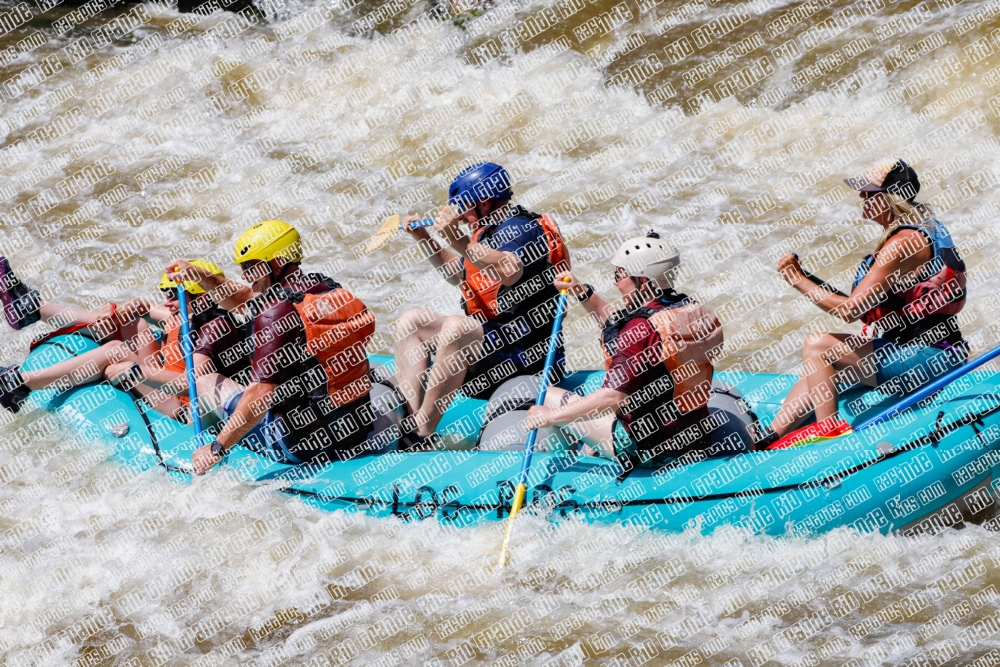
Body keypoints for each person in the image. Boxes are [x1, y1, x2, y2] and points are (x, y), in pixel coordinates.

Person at [764, 159, 968, 444]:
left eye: (870, 193)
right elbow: (865, 302)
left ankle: (829, 434)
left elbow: (850, 310)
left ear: (890, 198)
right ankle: (770, 436)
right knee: (821, 363)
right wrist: (806, 276)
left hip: (927, 361)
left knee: (817, 346)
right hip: (943, 353)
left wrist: (795, 279)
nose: (862, 197)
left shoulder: (903, 243)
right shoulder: (928, 226)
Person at [167, 220, 377, 475]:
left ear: (276, 263)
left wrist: (217, 448)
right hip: (355, 430)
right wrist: (201, 277)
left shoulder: (274, 313)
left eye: (250, 266)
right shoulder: (326, 288)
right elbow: (245, 299)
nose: (244, 274)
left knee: (206, 382)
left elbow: (261, 395)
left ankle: (211, 434)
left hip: (302, 446)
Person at [525, 232, 743, 469]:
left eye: (620, 275)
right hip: (694, 436)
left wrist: (550, 416)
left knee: (550, 398)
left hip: (649, 448)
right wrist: (581, 291)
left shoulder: (640, 328)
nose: (615, 282)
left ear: (644, 281)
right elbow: (619, 325)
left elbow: (613, 397)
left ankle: (562, 479)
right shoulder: (688, 309)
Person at [393, 162, 570, 449]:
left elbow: (508, 269)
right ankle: (410, 417)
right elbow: (460, 272)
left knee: (457, 327)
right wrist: (424, 237)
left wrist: (456, 239)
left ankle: (421, 433)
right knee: (412, 321)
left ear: (485, 203)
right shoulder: (486, 230)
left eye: (463, 207)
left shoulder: (521, 229)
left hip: (527, 359)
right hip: (498, 349)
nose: (460, 217)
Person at [0, 258, 175, 414]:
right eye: (168, 293)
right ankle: (31, 309)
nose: (167, 302)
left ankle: (19, 384)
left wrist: (135, 370)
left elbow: (192, 385)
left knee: (116, 351)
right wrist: (122, 308)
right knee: (132, 322)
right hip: (166, 374)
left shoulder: (201, 335)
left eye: (175, 296)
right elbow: (147, 308)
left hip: (177, 402)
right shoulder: (187, 316)